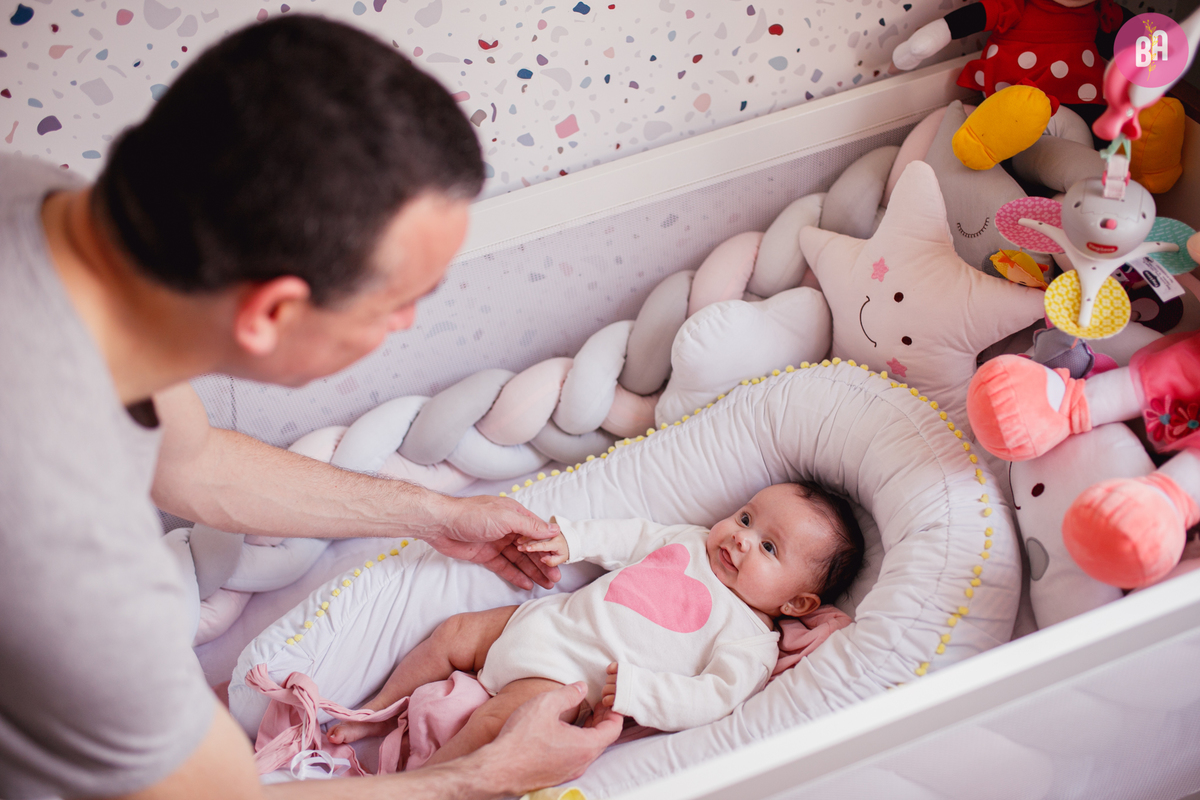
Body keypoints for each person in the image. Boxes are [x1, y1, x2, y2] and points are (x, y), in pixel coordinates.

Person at [0, 14, 624, 800]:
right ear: (272, 313)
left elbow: (188, 459)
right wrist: (480, 774)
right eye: (400, 303)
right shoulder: (68, 552)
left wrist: (436, 516)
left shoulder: (38, 204)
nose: (406, 325)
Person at [328, 482, 866, 766]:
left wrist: (640, 690)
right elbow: (629, 537)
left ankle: (427, 784)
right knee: (451, 632)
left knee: (495, 726)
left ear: (797, 603)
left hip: (566, 679)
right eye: (747, 518)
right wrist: (573, 539)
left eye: (769, 547)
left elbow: (714, 697)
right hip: (539, 622)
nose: (742, 537)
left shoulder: (750, 638)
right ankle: (375, 711)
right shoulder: (685, 540)